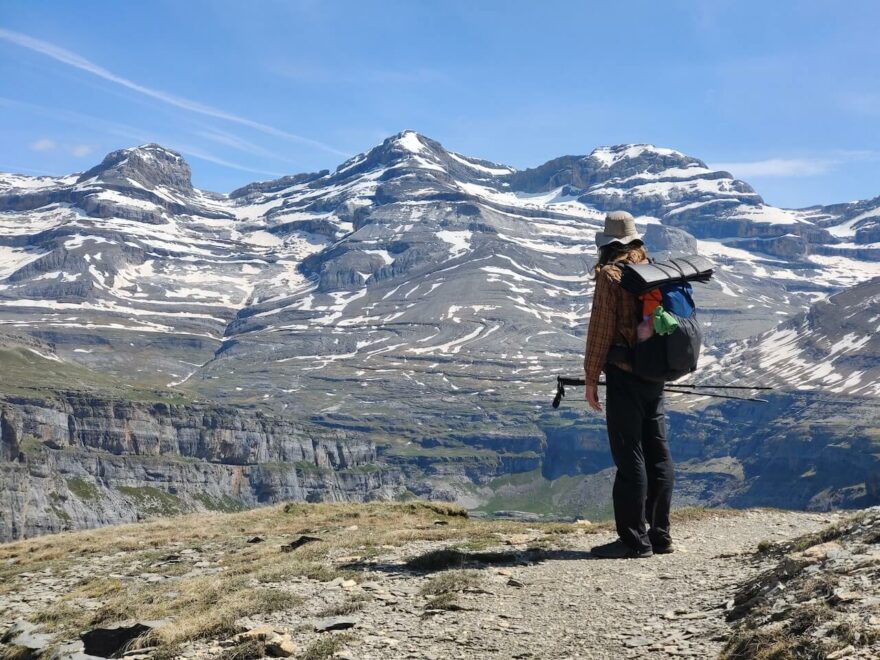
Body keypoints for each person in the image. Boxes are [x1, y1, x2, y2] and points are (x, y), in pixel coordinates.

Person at [583, 210, 674, 559]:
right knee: (657, 452)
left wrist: (592, 378)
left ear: (608, 244)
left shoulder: (612, 275)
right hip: (656, 373)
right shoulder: (654, 269)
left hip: (624, 373)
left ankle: (634, 540)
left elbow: (601, 331)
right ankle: (660, 534)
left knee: (629, 455)